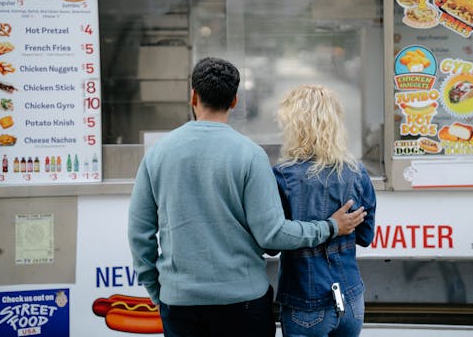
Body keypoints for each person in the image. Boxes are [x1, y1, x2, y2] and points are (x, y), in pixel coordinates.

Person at [127, 57, 367, 337]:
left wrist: (160, 293)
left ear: (193, 95)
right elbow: (272, 235)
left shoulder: (158, 154)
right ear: (234, 101)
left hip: (180, 304)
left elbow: (139, 234)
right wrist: (330, 227)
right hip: (244, 304)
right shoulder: (250, 155)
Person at [273, 84, 376, 337]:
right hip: (351, 300)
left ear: (295, 126)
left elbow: (272, 242)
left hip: (304, 303)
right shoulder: (357, 172)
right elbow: (365, 236)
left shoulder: (283, 176)